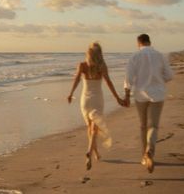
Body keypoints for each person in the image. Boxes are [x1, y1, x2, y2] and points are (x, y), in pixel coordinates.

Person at [67, 42, 125, 170]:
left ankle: (95, 153)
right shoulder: (102, 66)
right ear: (100, 54)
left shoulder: (82, 65)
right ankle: (90, 151)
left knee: (90, 127)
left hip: (85, 101)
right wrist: (117, 98)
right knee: (95, 128)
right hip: (97, 100)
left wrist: (71, 94)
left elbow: (76, 79)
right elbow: (109, 82)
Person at [124, 34, 173, 173]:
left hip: (140, 95)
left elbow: (129, 77)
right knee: (154, 126)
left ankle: (143, 157)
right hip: (157, 94)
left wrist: (127, 94)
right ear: (150, 42)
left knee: (143, 126)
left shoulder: (135, 56)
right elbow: (170, 75)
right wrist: (158, 81)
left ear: (139, 43)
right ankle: (149, 152)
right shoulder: (160, 55)